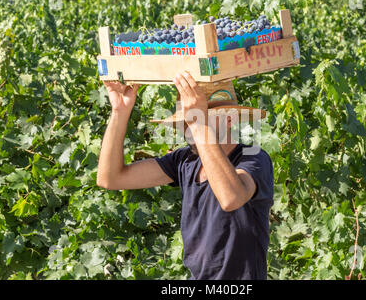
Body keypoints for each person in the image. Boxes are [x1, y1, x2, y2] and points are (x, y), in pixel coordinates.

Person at [96, 72, 274, 279]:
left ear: (229, 119)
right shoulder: (184, 160)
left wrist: (200, 125)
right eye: (186, 121)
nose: (188, 129)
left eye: (195, 119)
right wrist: (119, 112)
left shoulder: (253, 158)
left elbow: (231, 198)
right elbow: (110, 178)